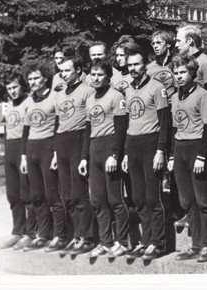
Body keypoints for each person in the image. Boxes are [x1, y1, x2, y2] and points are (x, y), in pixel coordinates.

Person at [78, 58, 131, 258]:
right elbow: (88, 128)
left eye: (100, 74)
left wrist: (115, 155)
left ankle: (123, 242)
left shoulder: (116, 96)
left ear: (108, 77)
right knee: (98, 200)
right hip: (94, 148)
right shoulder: (90, 99)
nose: (96, 78)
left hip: (110, 147)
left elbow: (120, 129)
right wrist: (84, 157)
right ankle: (105, 241)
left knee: (115, 199)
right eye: (93, 74)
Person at [122, 45, 170, 260]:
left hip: (151, 143)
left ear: (145, 65)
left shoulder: (157, 87)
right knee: (138, 197)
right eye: (129, 64)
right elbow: (127, 123)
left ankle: (157, 243)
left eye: (137, 64)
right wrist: (124, 153)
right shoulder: (128, 89)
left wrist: (161, 151)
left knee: (153, 197)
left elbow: (165, 122)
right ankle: (146, 240)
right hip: (133, 145)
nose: (133, 68)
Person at [169, 55, 207, 263]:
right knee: (186, 201)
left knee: (202, 200)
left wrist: (201, 155)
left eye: (182, 72)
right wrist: (172, 155)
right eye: (176, 72)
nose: (179, 76)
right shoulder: (174, 97)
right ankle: (195, 245)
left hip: (197, 147)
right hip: (180, 149)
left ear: (192, 73)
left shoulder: (203, 95)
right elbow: (173, 128)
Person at [19, 59, 67, 252]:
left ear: (45, 78)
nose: (32, 81)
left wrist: (55, 152)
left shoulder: (55, 97)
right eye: (30, 79)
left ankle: (60, 236)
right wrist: (23, 156)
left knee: (52, 194)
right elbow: (25, 131)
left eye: (36, 78)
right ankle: (43, 235)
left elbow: (59, 126)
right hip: (32, 149)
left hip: (48, 147)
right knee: (37, 195)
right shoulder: (28, 101)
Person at [53, 49, 96, 255]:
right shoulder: (59, 94)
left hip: (79, 139)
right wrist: (55, 152)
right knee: (66, 195)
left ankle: (87, 237)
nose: (63, 74)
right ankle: (76, 235)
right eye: (61, 71)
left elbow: (90, 124)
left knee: (79, 193)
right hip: (62, 142)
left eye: (67, 70)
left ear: (79, 70)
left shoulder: (87, 91)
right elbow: (58, 123)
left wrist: (85, 155)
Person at [0, 73, 38, 251]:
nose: (13, 91)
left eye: (15, 87)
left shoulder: (29, 102)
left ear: (21, 86)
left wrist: (25, 153)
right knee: (13, 194)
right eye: (9, 88)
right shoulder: (9, 105)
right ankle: (17, 231)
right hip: (10, 149)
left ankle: (31, 233)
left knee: (26, 194)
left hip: (24, 148)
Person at [175, 24, 207, 100]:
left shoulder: (206, 62)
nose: (176, 45)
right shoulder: (181, 61)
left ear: (189, 41)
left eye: (179, 41)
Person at [147, 29, 177, 98]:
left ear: (168, 44)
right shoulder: (149, 68)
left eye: (159, 43)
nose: (155, 46)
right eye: (153, 43)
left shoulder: (177, 64)